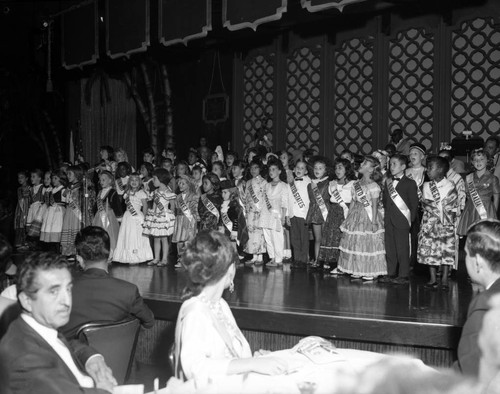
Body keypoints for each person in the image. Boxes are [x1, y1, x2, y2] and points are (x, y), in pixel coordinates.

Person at [174, 230, 288, 381]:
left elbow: (230, 355)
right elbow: (195, 369)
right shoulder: (196, 312)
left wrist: (256, 360)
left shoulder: (220, 304)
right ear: (229, 270)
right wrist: (250, 364)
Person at [0, 251, 117, 393]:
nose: (66, 301)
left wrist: (91, 358)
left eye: (68, 289)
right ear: (27, 301)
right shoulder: (24, 359)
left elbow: (61, 343)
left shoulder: (34, 326)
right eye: (54, 292)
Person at [61, 227, 154, 339]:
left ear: (79, 259)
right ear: (110, 254)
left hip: (72, 355)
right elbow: (149, 322)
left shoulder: (64, 291)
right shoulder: (128, 291)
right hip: (117, 355)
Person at [455, 219, 500, 377]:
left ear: (478, 261)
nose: (465, 258)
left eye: (466, 254)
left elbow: (471, 373)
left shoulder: (485, 303)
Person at [338, 156, 387, 281]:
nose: (362, 164)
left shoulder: (374, 185)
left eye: (365, 163)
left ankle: (371, 270)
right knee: (356, 242)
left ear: (371, 170)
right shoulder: (356, 184)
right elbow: (353, 201)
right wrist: (348, 217)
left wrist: (374, 221)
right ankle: (358, 268)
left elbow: (375, 205)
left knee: (368, 243)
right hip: (356, 215)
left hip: (369, 215)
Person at [417, 156, 458, 289]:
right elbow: (425, 203)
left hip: (445, 223)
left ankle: (445, 278)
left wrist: (437, 207)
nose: (427, 170)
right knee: (431, 250)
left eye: (430, 168)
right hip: (430, 224)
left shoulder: (450, 185)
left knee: (445, 250)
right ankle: (433, 278)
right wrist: (431, 206)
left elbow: (451, 203)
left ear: (440, 170)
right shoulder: (426, 185)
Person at [380, 154, 418, 285]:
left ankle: (403, 274)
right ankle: (391, 273)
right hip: (389, 219)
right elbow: (385, 201)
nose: (391, 167)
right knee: (390, 247)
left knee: (402, 248)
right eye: (390, 164)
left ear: (403, 166)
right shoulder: (388, 182)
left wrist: (410, 221)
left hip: (403, 220)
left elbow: (414, 204)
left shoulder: (410, 183)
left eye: (394, 164)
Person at [457, 149, 500, 236]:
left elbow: (496, 196)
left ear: (487, 160)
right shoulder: (468, 178)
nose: (478, 162)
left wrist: (493, 212)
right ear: (472, 162)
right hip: (471, 209)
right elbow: (467, 195)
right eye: (475, 160)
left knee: (485, 235)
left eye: (481, 159)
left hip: (487, 208)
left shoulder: (493, 178)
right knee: (472, 234)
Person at [113, 173, 153, 264]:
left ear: (139, 182)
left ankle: (136, 257)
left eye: (136, 180)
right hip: (128, 217)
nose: (134, 182)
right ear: (129, 182)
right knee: (127, 235)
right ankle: (126, 257)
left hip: (137, 216)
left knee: (136, 235)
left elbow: (145, 206)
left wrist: (145, 218)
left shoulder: (141, 193)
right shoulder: (127, 192)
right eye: (132, 180)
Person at [324, 159, 356, 274]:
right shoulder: (332, 183)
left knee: (345, 239)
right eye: (336, 168)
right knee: (335, 239)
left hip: (347, 212)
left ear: (347, 169)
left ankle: (347, 265)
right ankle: (337, 264)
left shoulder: (353, 184)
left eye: (341, 168)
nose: (338, 170)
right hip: (334, 213)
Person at [258, 160, 292, 267]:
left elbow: (285, 202)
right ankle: (272, 257)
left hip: (277, 214)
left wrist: (283, 216)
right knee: (268, 237)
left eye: (274, 169)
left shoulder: (284, 186)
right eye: (270, 170)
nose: (271, 172)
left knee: (277, 237)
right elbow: (263, 200)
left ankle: (278, 259)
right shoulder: (266, 185)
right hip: (265, 213)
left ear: (279, 171)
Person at [143, 168, 176, 266]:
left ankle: (164, 259)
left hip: (164, 218)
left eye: (154, 179)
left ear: (161, 180)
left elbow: (172, 206)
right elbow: (153, 204)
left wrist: (169, 218)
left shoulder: (168, 193)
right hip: (156, 217)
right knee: (156, 238)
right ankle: (156, 258)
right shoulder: (155, 192)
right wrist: (153, 215)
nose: (153, 181)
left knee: (164, 238)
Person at [306, 158, 332, 270]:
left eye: (320, 168)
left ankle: (326, 260)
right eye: (316, 168)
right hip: (316, 212)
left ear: (325, 170)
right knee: (317, 238)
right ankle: (317, 259)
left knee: (326, 238)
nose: (317, 170)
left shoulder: (329, 183)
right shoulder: (310, 184)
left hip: (326, 211)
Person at [172, 175, 200, 266]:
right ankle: (180, 258)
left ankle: (189, 259)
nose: (180, 185)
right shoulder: (178, 197)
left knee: (188, 240)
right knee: (180, 240)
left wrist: (195, 220)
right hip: (179, 220)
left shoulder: (193, 196)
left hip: (189, 219)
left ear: (189, 184)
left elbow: (195, 209)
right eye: (179, 183)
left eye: (183, 183)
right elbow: (176, 209)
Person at [288, 160, 311, 270]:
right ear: (294, 169)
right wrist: (287, 215)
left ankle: (303, 260)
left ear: (306, 171)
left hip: (303, 214)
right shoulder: (290, 183)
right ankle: (297, 259)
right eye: (297, 167)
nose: (299, 170)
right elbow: (287, 199)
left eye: (302, 168)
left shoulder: (309, 182)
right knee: (294, 238)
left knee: (303, 238)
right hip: (293, 214)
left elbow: (310, 199)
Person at [92, 171, 122, 252]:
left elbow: (116, 205)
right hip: (99, 217)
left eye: (103, 180)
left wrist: (119, 218)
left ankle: (110, 252)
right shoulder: (100, 192)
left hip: (109, 217)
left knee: (109, 234)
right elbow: (96, 206)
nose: (101, 182)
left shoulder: (112, 192)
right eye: (100, 180)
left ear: (110, 180)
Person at [243, 160, 267, 265]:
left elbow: (265, 198)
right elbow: (246, 197)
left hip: (259, 212)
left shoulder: (264, 182)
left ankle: (260, 257)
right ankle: (253, 256)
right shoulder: (248, 182)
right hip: (250, 212)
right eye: (251, 168)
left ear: (260, 169)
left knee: (259, 233)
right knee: (251, 233)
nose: (253, 170)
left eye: (256, 168)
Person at [40, 170, 68, 250]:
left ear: (61, 179)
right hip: (51, 212)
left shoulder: (64, 190)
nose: (53, 180)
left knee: (57, 228)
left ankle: (58, 248)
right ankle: (52, 248)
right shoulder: (51, 189)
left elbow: (67, 201)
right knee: (50, 229)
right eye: (52, 178)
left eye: (56, 178)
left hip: (58, 212)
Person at [219, 180, 249, 255]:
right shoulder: (223, 204)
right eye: (222, 192)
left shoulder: (234, 205)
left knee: (233, 248)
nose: (223, 195)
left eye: (225, 192)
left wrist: (234, 231)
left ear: (232, 193)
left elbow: (236, 220)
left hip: (232, 232)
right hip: (225, 231)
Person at [60, 166, 84, 257]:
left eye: (70, 174)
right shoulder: (68, 187)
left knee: (76, 229)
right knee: (68, 229)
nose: (68, 176)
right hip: (69, 212)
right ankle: (69, 252)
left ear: (77, 174)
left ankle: (78, 252)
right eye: (67, 174)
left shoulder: (81, 186)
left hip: (77, 213)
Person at [14, 170, 30, 250]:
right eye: (18, 178)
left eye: (22, 177)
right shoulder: (19, 189)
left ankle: (26, 242)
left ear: (26, 178)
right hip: (21, 207)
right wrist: (23, 210)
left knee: (26, 223)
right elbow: (20, 199)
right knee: (20, 223)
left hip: (28, 207)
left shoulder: (30, 188)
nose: (19, 179)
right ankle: (20, 242)